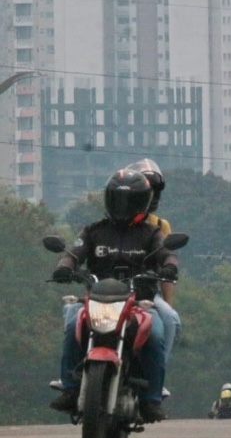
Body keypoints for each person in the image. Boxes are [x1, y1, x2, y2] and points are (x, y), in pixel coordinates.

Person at [49, 169, 178, 423]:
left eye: (129, 201)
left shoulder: (151, 234)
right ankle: (69, 388)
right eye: (117, 200)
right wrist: (64, 266)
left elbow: (166, 253)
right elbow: (74, 253)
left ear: (142, 202)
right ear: (107, 200)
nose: (122, 207)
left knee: (156, 333)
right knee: (73, 323)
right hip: (96, 300)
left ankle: (151, 399)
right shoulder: (93, 231)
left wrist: (170, 266)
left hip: (138, 302)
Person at [124, 158, 182, 368]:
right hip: (108, 291)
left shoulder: (159, 226)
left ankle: (158, 373)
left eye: (154, 192)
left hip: (146, 291)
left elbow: (167, 260)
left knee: (170, 319)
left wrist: (168, 303)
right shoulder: (108, 224)